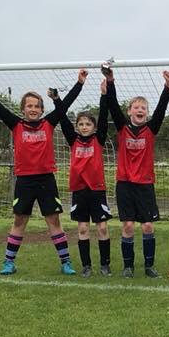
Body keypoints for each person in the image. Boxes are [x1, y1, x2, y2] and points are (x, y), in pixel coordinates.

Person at [0, 69, 87, 274]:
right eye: (29, 106)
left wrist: (79, 83)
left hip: (46, 180)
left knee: (53, 221)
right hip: (24, 181)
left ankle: (65, 263)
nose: (33, 109)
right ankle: (8, 263)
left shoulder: (49, 123)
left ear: (42, 109)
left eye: (37, 106)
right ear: (23, 109)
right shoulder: (16, 124)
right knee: (19, 221)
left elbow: (66, 103)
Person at [105, 67, 169, 277]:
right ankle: (128, 267)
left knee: (147, 226)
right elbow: (112, 104)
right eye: (136, 107)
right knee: (127, 226)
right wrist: (110, 81)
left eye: (143, 108)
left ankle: (149, 266)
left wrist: (167, 86)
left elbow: (162, 109)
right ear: (129, 111)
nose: (139, 110)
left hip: (145, 184)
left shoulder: (151, 129)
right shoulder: (122, 128)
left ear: (147, 112)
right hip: (125, 184)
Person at [54, 74, 112, 277]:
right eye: (81, 124)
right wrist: (57, 100)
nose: (84, 127)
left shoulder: (99, 139)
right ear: (77, 127)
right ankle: (86, 266)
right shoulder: (73, 140)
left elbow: (104, 116)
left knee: (103, 228)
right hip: (79, 190)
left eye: (88, 124)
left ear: (94, 127)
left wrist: (104, 95)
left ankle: (105, 265)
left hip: (97, 190)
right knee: (83, 229)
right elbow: (62, 118)